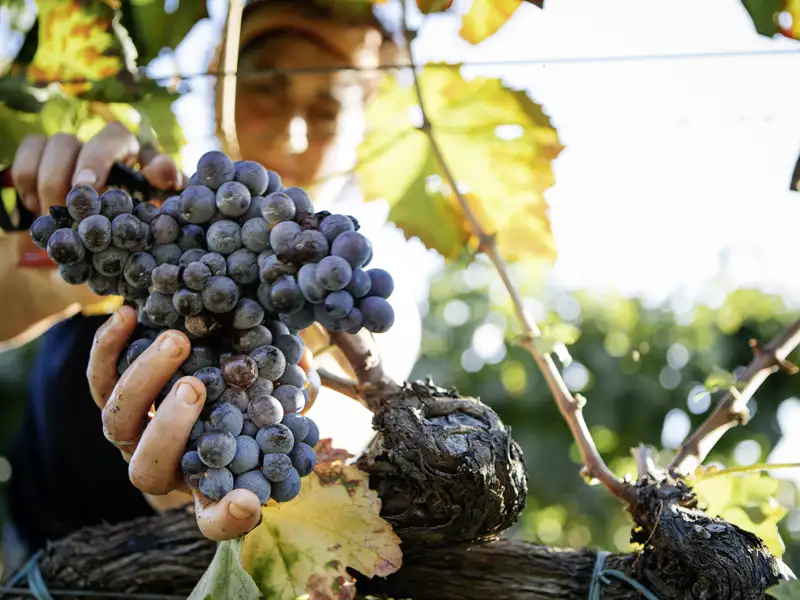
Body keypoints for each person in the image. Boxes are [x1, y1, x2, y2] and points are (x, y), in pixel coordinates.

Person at [0, 0, 403, 573]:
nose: (291, 132)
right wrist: (43, 221)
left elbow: (335, 442)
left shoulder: (351, 299)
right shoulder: (146, 224)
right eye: (266, 86)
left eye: (326, 111)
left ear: (361, 130)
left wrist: (201, 477)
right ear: (221, 84)